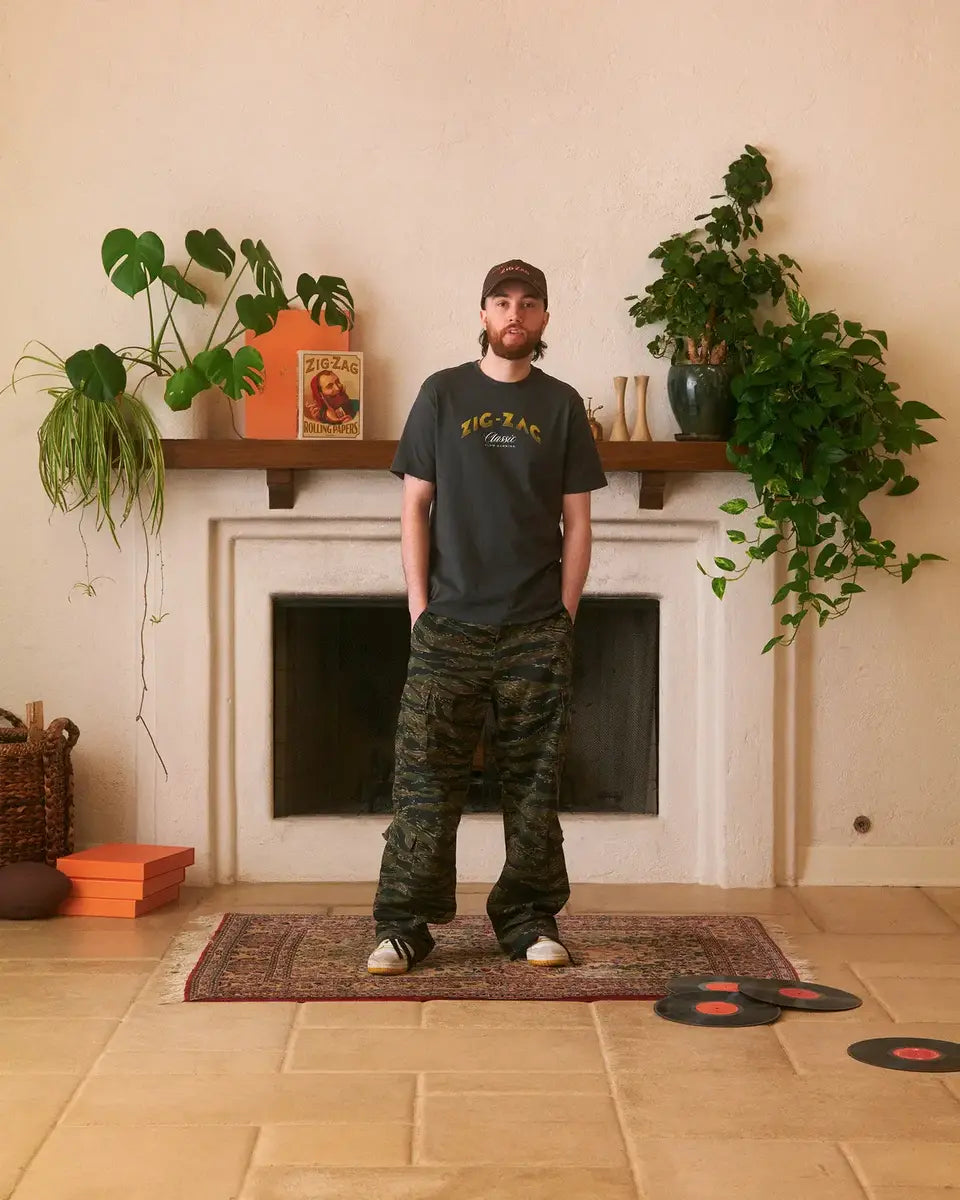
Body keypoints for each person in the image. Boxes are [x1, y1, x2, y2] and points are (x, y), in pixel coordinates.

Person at [368, 259, 607, 975]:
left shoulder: (562, 405)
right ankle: (404, 925)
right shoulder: (441, 395)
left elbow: (579, 523)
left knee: (535, 783)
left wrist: (562, 615)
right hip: (449, 626)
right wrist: (419, 608)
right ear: (482, 314)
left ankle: (529, 918)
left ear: (543, 320)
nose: (514, 314)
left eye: (528, 304)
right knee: (423, 781)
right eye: (501, 302)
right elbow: (415, 505)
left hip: (535, 626)